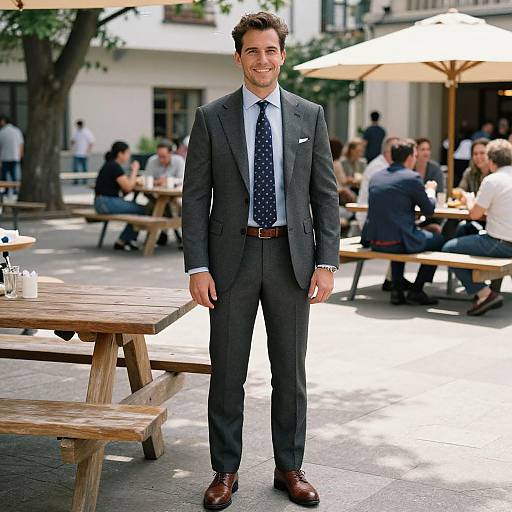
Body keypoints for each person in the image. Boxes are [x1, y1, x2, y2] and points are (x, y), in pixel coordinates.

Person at [182, 12, 339, 510]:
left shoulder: (308, 114)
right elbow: (194, 198)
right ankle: (224, 472)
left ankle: (289, 468)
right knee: (227, 370)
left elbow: (326, 194)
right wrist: (197, 266)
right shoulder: (212, 117)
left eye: (270, 50)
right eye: (252, 50)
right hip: (233, 259)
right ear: (238, 57)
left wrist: (327, 262)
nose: (262, 59)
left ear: (282, 56)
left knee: (289, 372)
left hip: (293, 258)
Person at [362, 139, 444, 306]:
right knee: (439, 240)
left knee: (400, 234)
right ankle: (417, 290)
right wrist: (430, 191)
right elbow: (428, 210)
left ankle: (397, 290)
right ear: (410, 158)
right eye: (415, 155)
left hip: (376, 241)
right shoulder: (412, 177)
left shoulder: (377, 177)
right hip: (398, 241)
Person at [443, 139, 512, 316]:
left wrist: (469, 201)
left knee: (449, 249)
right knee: (466, 232)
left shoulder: (492, 180)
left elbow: (474, 214)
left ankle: (485, 294)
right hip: (505, 240)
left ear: (490, 160)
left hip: (501, 243)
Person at [94, 141, 144, 252]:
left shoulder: (110, 164)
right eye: (127, 153)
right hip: (106, 203)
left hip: (101, 202)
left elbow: (124, 190)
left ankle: (126, 240)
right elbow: (128, 188)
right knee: (142, 210)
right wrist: (135, 170)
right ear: (120, 154)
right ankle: (124, 241)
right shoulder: (114, 166)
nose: (128, 155)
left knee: (136, 209)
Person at [144, 140, 185, 246]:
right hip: (155, 195)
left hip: (174, 196)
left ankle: (162, 234)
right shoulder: (152, 160)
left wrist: (169, 180)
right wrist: (157, 182)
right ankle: (177, 235)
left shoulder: (179, 161)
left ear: (171, 153)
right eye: (159, 156)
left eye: (164, 156)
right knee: (156, 205)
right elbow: (147, 178)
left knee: (171, 205)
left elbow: (183, 179)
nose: (161, 159)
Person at [456, 138, 490, 237]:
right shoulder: (470, 172)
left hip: (492, 222)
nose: (478, 157)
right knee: (459, 227)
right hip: (474, 217)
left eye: (482, 153)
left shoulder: (496, 174)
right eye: (475, 154)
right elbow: (460, 190)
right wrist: (464, 195)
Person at [414, 137, 445, 235]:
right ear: (416, 152)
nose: (426, 152)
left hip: (431, 214)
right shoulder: (410, 168)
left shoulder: (435, 168)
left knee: (438, 228)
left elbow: (439, 192)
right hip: (413, 213)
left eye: (428, 149)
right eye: (422, 149)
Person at [0, 114, 24, 195]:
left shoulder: (2, 132)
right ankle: (14, 191)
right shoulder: (17, 131)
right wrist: (20, 155)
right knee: (14, 176)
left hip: (4, 157)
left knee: (4, 176)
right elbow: (21, 144)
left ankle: (6, 191)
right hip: (15, 156)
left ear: (3, 121)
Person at [71, 120, 95, 184]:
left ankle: (85, 181)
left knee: (84, 168)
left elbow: (91, 142)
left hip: (84, 153)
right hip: (76, 153)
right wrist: (72, 148)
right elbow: (72, 141)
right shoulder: (76, 132)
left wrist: (88, 151)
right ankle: (76, 180)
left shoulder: (87, 132)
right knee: (75, 168)